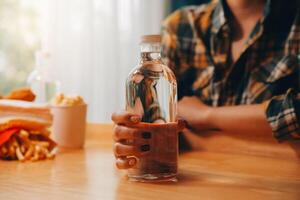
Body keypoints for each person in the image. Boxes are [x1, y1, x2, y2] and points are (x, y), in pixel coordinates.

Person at [112, 0, 300, 169]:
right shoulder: (183, 25)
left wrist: (205, 116)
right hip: (198, 180)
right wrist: (134, 136)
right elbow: (158, 123)